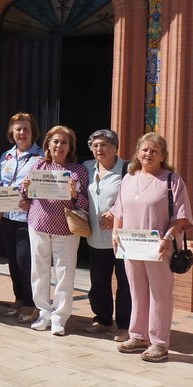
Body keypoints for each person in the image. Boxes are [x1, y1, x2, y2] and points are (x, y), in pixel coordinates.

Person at [112, 133, 193, 362]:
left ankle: (159, 342)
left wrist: (168, 238)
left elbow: (181, 217)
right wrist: (115, 232)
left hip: (160, 248)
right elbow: (119, 211)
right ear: (138, 152)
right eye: (145, 149)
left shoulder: (171, 180)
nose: (148, 154)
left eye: (154, 151)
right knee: (136, 292)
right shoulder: (129, 178)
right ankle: (137, 336)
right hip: (131, 246)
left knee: (159, 295)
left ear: (163, 155)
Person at [21, 126, 89, 336]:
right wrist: (25, 187)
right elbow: (25, 197)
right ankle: (44, 312)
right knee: (39, 271)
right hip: (39, 224)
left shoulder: (79, 171)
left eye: (64, 142)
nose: (59, 146)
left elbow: (86, 203)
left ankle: (60, 317)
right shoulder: (38, 165)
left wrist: (74, 193)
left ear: (70, 147)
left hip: (65, 228)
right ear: (48, 144)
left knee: (64, 273)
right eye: (55, 141)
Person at [0, 112, 42, 323]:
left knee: (25, 261)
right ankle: (19, 298)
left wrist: (31, 200)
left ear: (33, 133)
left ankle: (32, 303)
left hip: (27, 217)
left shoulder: (40, 157)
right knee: (12, 259)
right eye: (18, 129)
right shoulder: (6, 156)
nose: (22, 133)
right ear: (12, 132)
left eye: (26, 129)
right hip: (7, 215)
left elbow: (43, 189)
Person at [82, 129, 131, 342]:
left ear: (114, 147)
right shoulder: (87, 167)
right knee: (99, 281)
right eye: (95, 146)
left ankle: (125, 325)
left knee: (125, 283)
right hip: (95, 236)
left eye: (104, 145)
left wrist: (114, 212)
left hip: (120, 237)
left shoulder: (128, 169)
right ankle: (102, 319)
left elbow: (132, 198)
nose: (99, 149)